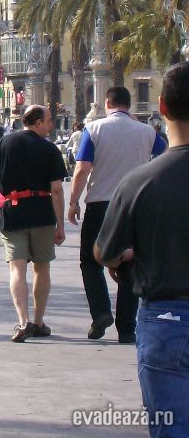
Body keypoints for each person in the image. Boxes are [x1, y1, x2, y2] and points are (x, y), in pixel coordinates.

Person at [95, 62, 189, 438]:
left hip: (167, 318)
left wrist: (127, 257)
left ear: (162, 106)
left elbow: (105, 251)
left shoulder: (140, 181)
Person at [70, 86, 167, 343]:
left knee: (90, 260)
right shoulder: (147, 131)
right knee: (130, 263)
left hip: (100, 203)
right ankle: (126, 327)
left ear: (107, 103)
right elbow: (166, 154)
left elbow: (82, 169)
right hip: (136, 204)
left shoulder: (94, 129)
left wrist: (73, 201)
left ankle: (101, 312)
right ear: (129, 104)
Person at [0, 105, 68, 342]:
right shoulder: (49, 149)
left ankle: (23, 322)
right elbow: (56, 190)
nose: (51, 125)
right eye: (49, 120)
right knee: (42, 268)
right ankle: (38, 322)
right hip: (42, 213)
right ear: (38, 122)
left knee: (17, 268)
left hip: (13, 213)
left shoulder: (5, 143)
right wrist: (60, 225)